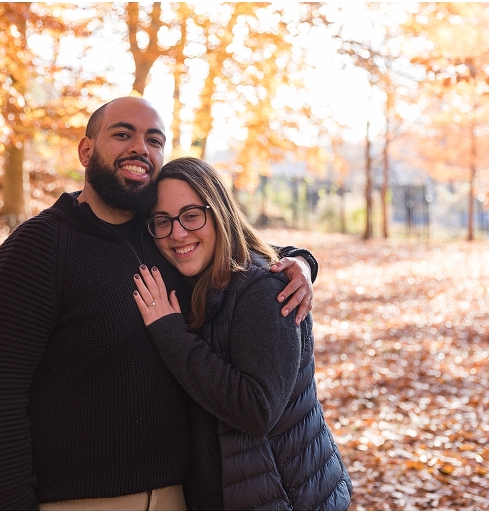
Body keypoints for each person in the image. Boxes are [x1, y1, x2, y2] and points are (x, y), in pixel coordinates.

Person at [0, 96, 318, 510]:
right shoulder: (38, 249)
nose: (140, 148)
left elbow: (234, 252)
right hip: (81, 501)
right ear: (86, 150)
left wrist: (302, 263)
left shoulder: (159, 236)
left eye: (154, 139)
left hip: (178, 498)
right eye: (122, 134)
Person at [131, 157, 352, 510]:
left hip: (283, 498)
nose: (177, 233)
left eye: (191, 215)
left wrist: (170, 334)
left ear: (219, 212)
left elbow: (256, 410)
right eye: (163, 221)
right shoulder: (194, 281)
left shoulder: (263, 291)